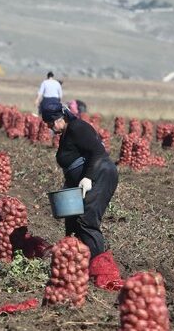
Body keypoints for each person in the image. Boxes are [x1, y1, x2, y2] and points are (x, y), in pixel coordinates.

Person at [43, 105, 122, 291]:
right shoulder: (67, 133)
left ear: (60, 118)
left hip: (100, 175)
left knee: (86, 219)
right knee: (72, 221)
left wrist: (88, 177)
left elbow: (98, 152)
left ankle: (98, 268)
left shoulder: (78, 127)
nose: (49, 127)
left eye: (49, 123)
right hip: (83, 179)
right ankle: (76, 264)